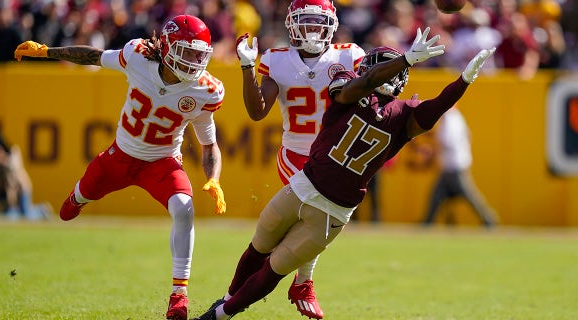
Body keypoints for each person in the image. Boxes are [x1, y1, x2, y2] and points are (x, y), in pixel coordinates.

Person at [192, 27, 495, 319]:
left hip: (332, 209)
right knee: (259, 248)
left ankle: (222, 313)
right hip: (304, 184)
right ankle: (232, 300)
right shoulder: (351, 87)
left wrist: (463, 81)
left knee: (275, 266)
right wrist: (406, 61)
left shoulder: (403, 115)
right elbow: (367, 84)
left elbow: (437, 107)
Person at [14, 15, 227, 320]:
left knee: (184, 208)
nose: (195, 61)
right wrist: (48, 52)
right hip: (119, 157)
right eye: (188, 52)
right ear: (167, 47)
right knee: (75, 202)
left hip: (162, 162)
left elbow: (209, 145)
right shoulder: (137, 56)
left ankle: (179, 295)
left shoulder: (206, 90)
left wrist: (214, 179)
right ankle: (78, 198)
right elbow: (94, 56)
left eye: (200, 54)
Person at [234, 0, 365, 317]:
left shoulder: (349, 54)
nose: (311, 29)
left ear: (331, 23)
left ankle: (294, 280)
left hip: (334, 154)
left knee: (317, 224)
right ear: (291, 24)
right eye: (303, 21)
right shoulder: (277, 59)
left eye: (316, 21)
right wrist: (246, 68)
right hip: (296, 153)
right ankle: (302, 282)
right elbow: (257, 112)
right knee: (313, 218)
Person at [422, 107, 499, 228]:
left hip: (455, 166)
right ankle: (427, 222)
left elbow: (447, 141)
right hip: (452, 165)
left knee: (469, 195)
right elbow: (468, 135)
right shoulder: (455, 117)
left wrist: (432, 149)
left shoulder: (451, 118)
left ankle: (489, 219)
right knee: (436, 196)